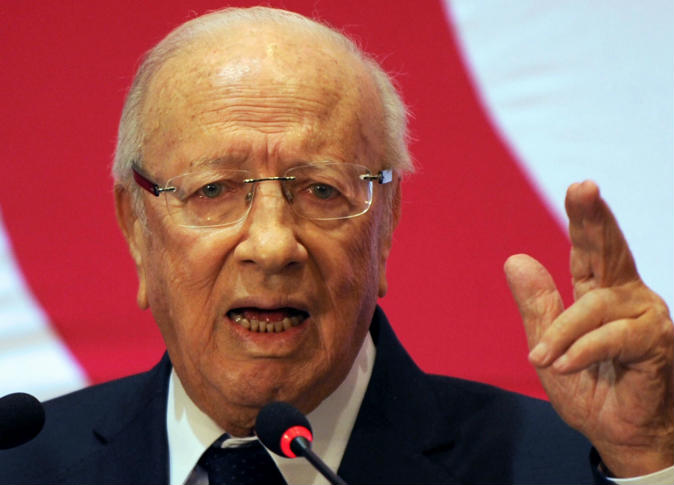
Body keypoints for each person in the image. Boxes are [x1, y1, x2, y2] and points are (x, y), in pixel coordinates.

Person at [0, 6, 671, 484]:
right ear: (136, 227)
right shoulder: (23, 464)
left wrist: (647, 459)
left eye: (321, 190)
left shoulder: (571, 466)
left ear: (386, 224)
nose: (272, 245)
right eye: (214, 190)